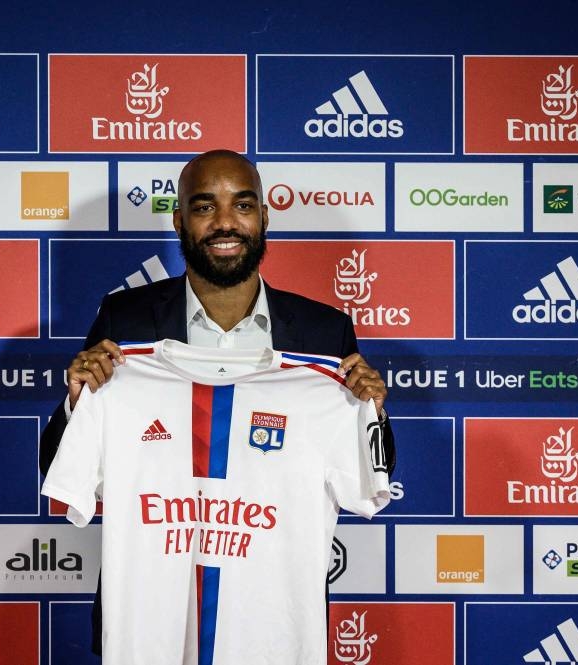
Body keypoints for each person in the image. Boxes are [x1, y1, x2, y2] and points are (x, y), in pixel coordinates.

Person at [39, 148, 395, 655]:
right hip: (153, 626)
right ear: (180, 220)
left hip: (269, 626)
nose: (225, 223)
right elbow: (61, 466)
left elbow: (368, 471)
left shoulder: (323, 332)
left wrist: (371, 413)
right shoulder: (126, 320)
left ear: (264, 217)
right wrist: (76, 405)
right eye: (205, 207)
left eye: (242, 206)